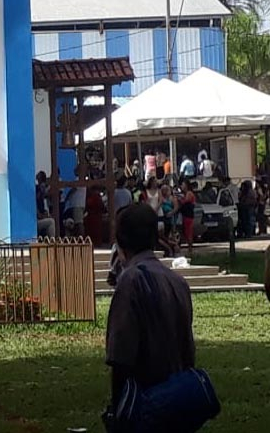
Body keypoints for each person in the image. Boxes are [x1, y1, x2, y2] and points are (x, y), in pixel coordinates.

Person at [104, 204, 199, 430]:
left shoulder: (130, 282)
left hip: (144, 404)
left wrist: (119, 413)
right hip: (178, 400)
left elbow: (120, 358)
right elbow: (189, 351)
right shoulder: (177, 282)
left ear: (120, 242)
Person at [180, 181, 197, 256]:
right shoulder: (185, 194)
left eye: (182, 185)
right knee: (186, 232)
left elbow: (185, 201)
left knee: (189, 231)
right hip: (186, 215)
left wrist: (180, 200)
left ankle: (190, 249)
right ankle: (189, 246)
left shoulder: (189, 193)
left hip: (188, 216)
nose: (181, 186)